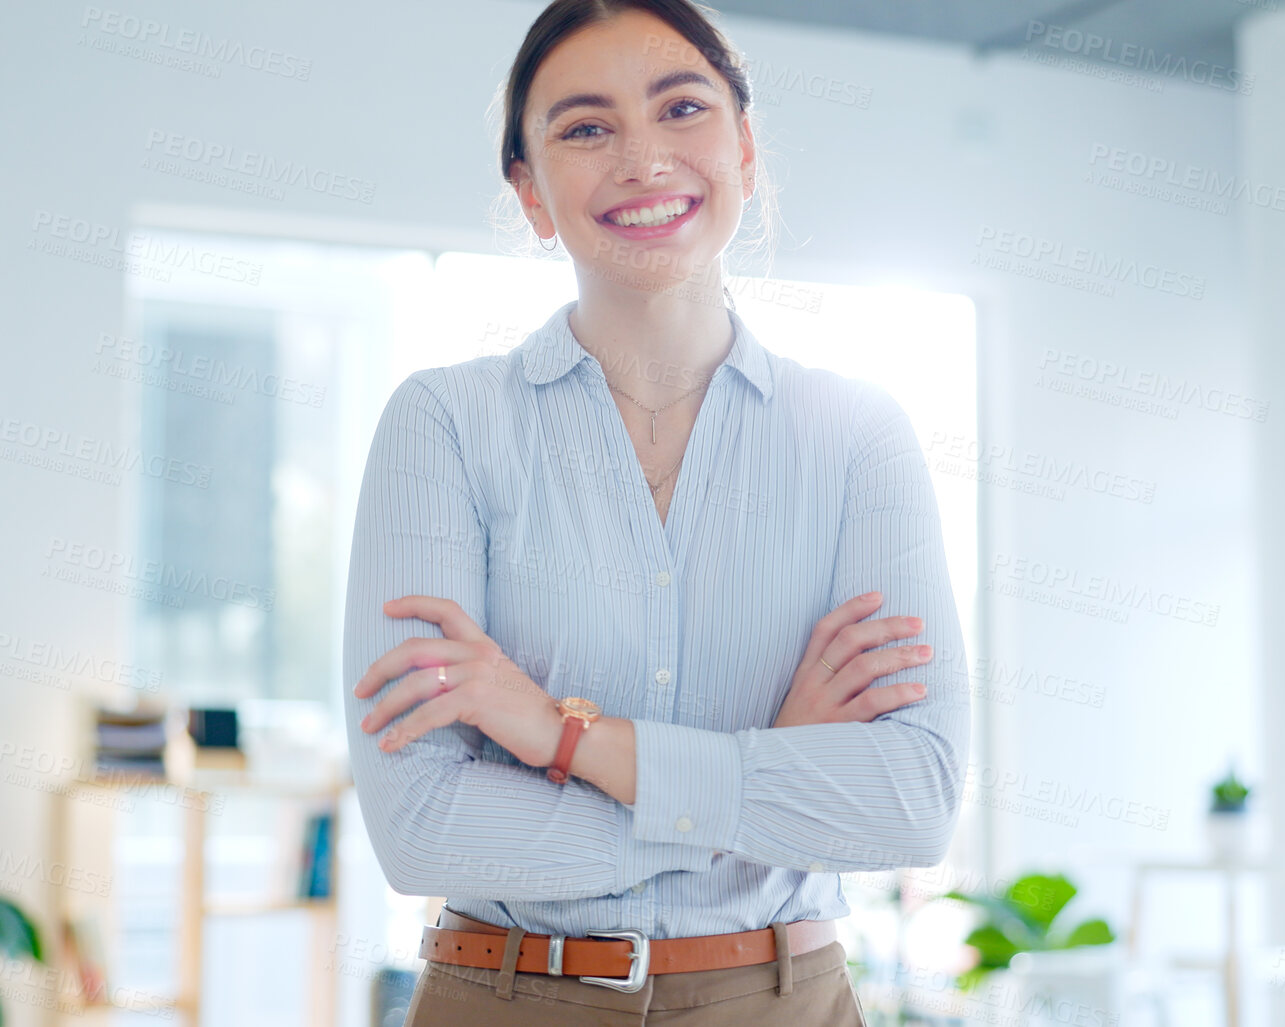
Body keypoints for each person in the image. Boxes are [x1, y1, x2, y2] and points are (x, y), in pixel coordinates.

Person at [341, 1, 969, 1022]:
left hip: (785, 1000)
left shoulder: (858, 436)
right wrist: (761, 773)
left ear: (745, 149)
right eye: (585, 128)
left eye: (682, 109)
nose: (642, 158)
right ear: (530, 191)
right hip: (512, 996)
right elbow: (422, 827)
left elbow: (914, 802)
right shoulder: (444, 426)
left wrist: (560, 735)